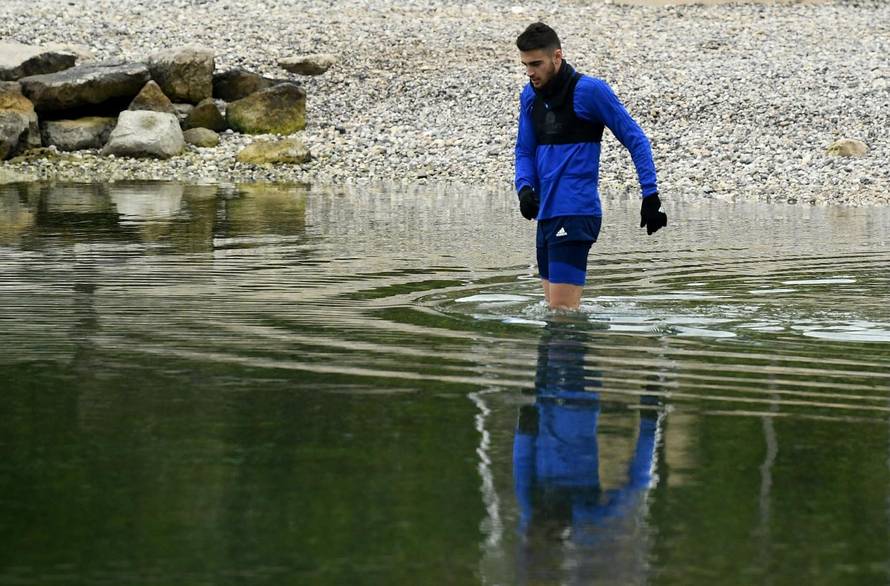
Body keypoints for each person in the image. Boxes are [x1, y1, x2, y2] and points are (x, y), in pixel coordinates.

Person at [514, 22, 667, 310]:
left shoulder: (590, 91)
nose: (530, 72)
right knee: (554, 315)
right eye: (525, 65)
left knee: (561, 316)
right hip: (546, 215)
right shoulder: (529, 97)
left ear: (557, 57)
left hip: (575, 211)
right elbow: (524, 150)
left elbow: (636, 139)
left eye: (536, 63)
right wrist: (524, 188)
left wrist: (650, 194)